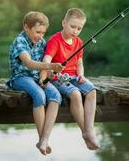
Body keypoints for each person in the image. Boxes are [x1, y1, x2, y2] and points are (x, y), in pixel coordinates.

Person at [40, 8, 100, 150]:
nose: (75, 31)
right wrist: (49, 70)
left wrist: (81, 74)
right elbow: (47, 58)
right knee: (75, 94)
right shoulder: (55, 40)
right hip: (59, 77)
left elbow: (79, 63)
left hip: (75, 76)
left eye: (79, 28)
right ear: (64, 23)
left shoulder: (79, 42)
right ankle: (84, 131)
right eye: (73, 26)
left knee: (92, 91)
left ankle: (90, 129)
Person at [6, 11, 64, 155]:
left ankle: (44, 139)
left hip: (36, 78)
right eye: (37, 32)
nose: (40, 36)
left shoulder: (41, 42)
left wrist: (46, 76)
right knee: (39, 95)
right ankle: (41, 138)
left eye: (43, 33)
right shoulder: (20, 41)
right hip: (20, 78)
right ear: (26, 27)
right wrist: (50, 66)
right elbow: (29, 63)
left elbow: (43, 64)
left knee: (56, 95)